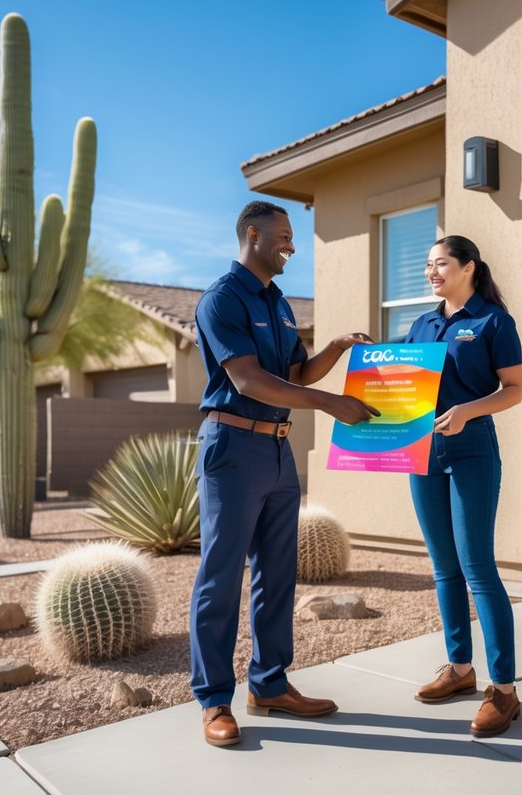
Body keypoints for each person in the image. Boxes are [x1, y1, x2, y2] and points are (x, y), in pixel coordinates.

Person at [190, 200, 379, 748]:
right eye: (284, 235)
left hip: (277, 451)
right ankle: (214, 701)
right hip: (232, 447)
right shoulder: (222, 299)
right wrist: (328, 403)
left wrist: (338, 349)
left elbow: (294, 372)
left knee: (277, 573)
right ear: (252, 234)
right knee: (221, 578)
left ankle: (270, 683)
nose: (291, 244)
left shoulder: (278, 303)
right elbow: (248, 380)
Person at [403, 235, 522, 737]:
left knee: (477, 567)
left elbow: (514, 389)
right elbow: (404, 382)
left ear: (468, 267)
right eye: (428, 264)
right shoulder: (421, 323)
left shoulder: (493, 321)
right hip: (422, 452)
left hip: (472, 449)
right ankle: (458, 669)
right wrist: (373, 363)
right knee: (444, 568)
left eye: (441, 263)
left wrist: (467, 410)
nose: (432, 271)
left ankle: (504, 689)